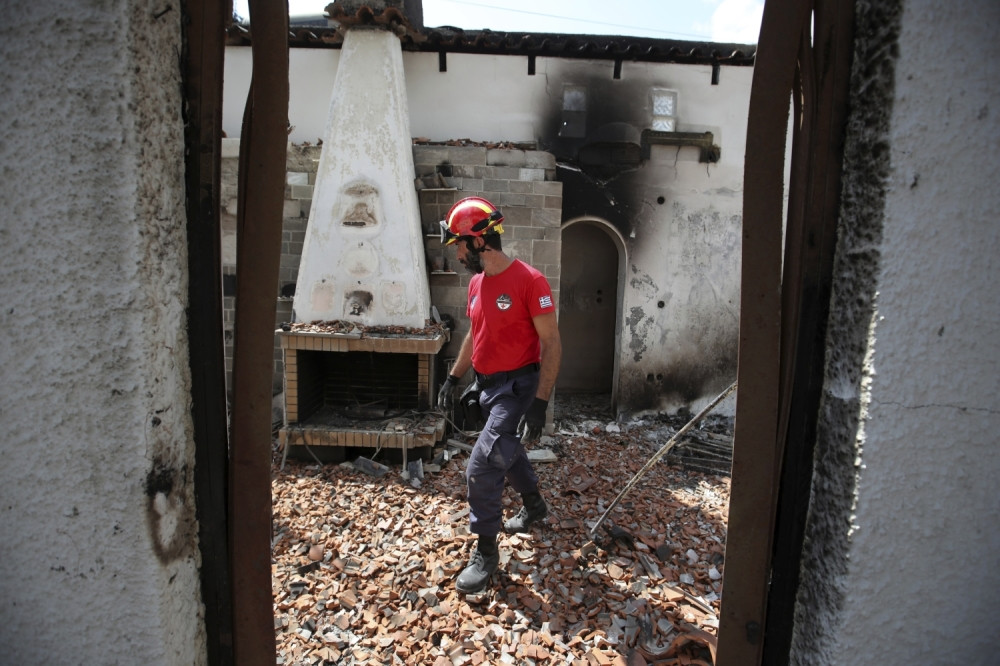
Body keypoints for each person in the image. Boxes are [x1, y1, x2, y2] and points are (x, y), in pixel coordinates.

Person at [436, 196, 562, 594]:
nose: (457, 255)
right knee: (508, 449)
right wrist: (455, 378)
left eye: (458, 245)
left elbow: (552, 344)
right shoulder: (476, 283)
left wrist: (539, 404)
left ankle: (486, 552)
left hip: (517, 388)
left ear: (478, 241)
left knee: (482, 466)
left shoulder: (530, 281)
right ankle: (535, 506)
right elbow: (476, 334)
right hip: (486, 385)